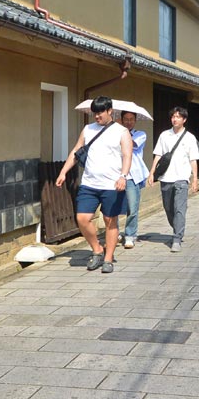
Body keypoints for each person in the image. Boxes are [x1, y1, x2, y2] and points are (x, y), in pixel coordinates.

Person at [56, 96, 132, 273]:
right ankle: (97, 249)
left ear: (110, 111)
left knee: (109, 220)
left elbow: (127, 156)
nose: (97, 116)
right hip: (89, 183)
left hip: (112, 184)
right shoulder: (88, 129)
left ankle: (108, 258)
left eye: (100, 113)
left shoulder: (121, 132)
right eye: (94, 113)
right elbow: (76, 151)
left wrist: (123, 176)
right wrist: (63, 171)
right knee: (82, 218)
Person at [147, 107, 199, 252]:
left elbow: (193, 159)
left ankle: (176, 238)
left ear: (184, 120)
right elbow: (158, 155)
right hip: (166, 178)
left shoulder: (190, 137)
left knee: (179, 209)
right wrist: (152, 172)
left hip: (182, 178)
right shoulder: (164, 135)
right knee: (168, 208)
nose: (175, 119)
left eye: (178, 117)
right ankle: (177, 227)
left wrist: (195, 179)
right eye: (173, 116)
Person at [119, 110, 147, 249]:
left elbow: (132, 145)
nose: (128, 121)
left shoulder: (140, 134)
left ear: (135, 121)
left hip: (132, 176)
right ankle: (115, 233)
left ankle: (130, 235)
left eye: (131, 119)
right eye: (126, 119)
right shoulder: (115, 133)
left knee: (132, 207)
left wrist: (119, 132)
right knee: (113, 206)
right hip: (116, 174)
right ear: (122, 119)